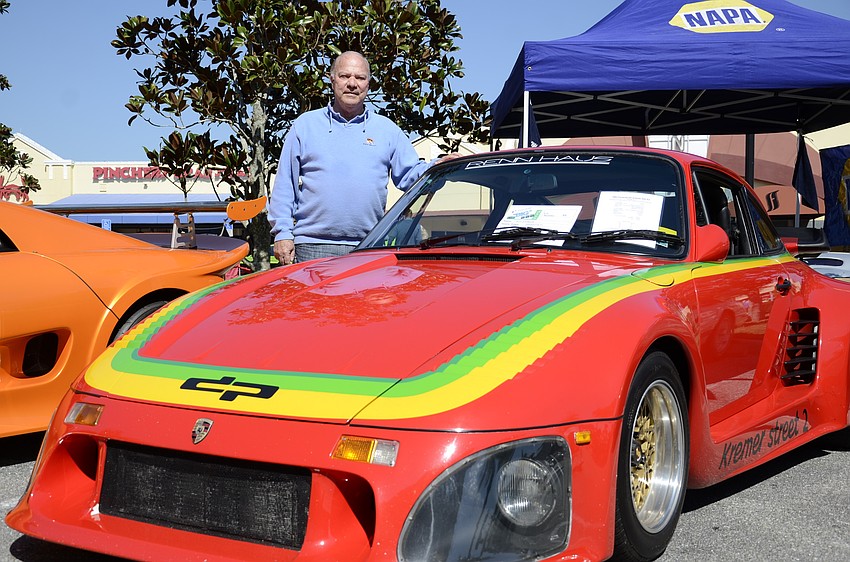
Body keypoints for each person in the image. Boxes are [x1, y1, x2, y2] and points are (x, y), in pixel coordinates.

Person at [268, 51, 453, 265]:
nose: (352, 84)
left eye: (360, 77)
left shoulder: (387, 130)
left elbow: (411, 176)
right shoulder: (305, 125)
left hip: (368, 247)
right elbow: (284, 185)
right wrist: (282, 233)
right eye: (345, 76)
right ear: (332, 79)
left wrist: (439, 169)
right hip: (311, 246)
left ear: (368, 84)